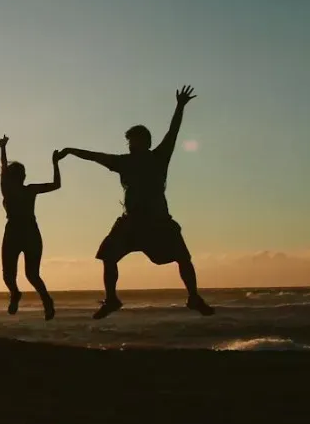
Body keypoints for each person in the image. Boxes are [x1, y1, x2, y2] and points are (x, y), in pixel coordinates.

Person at [59, 85, 214, 319]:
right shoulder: (123, 162)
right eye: (130, 142)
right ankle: (111, 299)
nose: (131, 145)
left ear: (146, 142)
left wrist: (179, 106)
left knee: (183, 257)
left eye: (135, 141)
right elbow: (95, 156)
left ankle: (193, 297)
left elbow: (173, 132)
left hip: (158, 221)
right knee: (108, 256)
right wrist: (71, 150)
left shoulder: (159, 157)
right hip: (131, 222)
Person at [0, 136, 60, 319]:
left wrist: (55, 164)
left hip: (29, 231)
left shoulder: (30, 189)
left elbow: (56, 185)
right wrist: (3, 149)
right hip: (15, 231)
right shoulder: (7, 189)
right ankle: (15, 294)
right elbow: (3, 169)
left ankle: (47, 301)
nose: (21, 177)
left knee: (32, 275)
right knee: (9, 275)